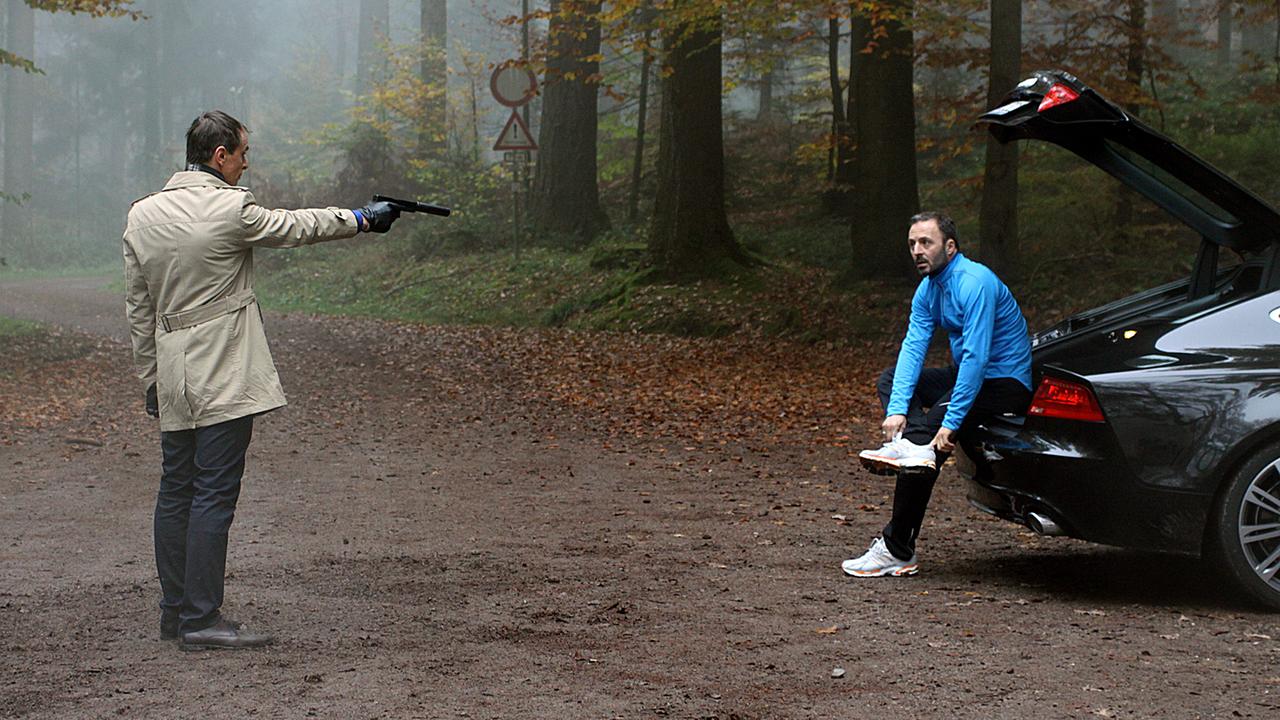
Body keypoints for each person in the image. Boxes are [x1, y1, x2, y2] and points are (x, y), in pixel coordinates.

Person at [123, 110, 401, 649]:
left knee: (176, 489)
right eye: (243, 152)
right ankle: (202, 620)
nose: (248, 163)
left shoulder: (142, 216)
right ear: (220, 155)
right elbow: (297, 226)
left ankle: (175, 612)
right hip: (223, 366)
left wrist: (150, 378)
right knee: (214, 492)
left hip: (173, 369)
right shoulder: (231, 208)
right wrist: (364, 218)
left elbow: (139, 307)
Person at [843, 211, 1032, 578]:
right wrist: (897, 410)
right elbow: (913, 348)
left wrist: (951, 420)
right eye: (912, 243)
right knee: (891, 380)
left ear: (949, 246)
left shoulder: (975, 282)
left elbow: (978, 356)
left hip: (1005, 383)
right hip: (968, 374)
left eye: (925, 242)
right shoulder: (929, 289)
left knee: (922, 444)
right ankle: (912, 444)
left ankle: (897, 548)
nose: (917, 250)